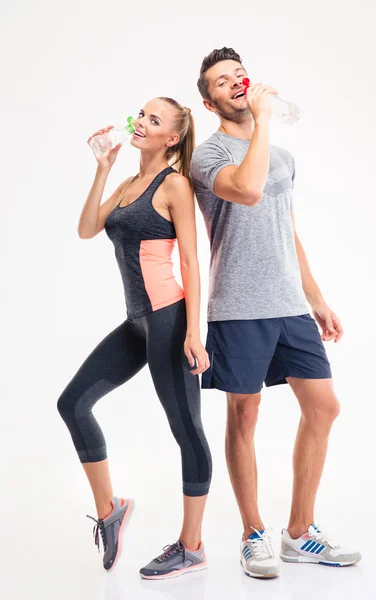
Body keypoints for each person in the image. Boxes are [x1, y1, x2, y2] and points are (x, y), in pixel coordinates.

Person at [190, 47, 361, 578]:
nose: (236, 83)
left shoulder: (283, 156)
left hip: (288, 304)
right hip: (238, 306)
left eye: (239, 75)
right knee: (244, 416)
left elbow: (285, 231)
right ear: (209, 101)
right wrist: (262, 121)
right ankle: (253, 534)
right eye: (222, 82)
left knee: (324, 407)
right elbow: (246, 190)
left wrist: (316, 298)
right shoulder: (208, 157)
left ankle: (299, 532)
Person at [57, 97, 212, 579]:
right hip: (136, 322)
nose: (141, 122)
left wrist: (193, 332)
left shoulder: (176, 185)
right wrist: (103, 169)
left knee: (186, 430)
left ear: (172, 138)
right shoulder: (127, 184)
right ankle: (110, 511)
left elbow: (189, 260)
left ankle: (193, 545)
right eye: (141, 114)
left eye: (154, 120)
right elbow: (87, 229)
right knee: (73, 404)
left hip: (167, 321)